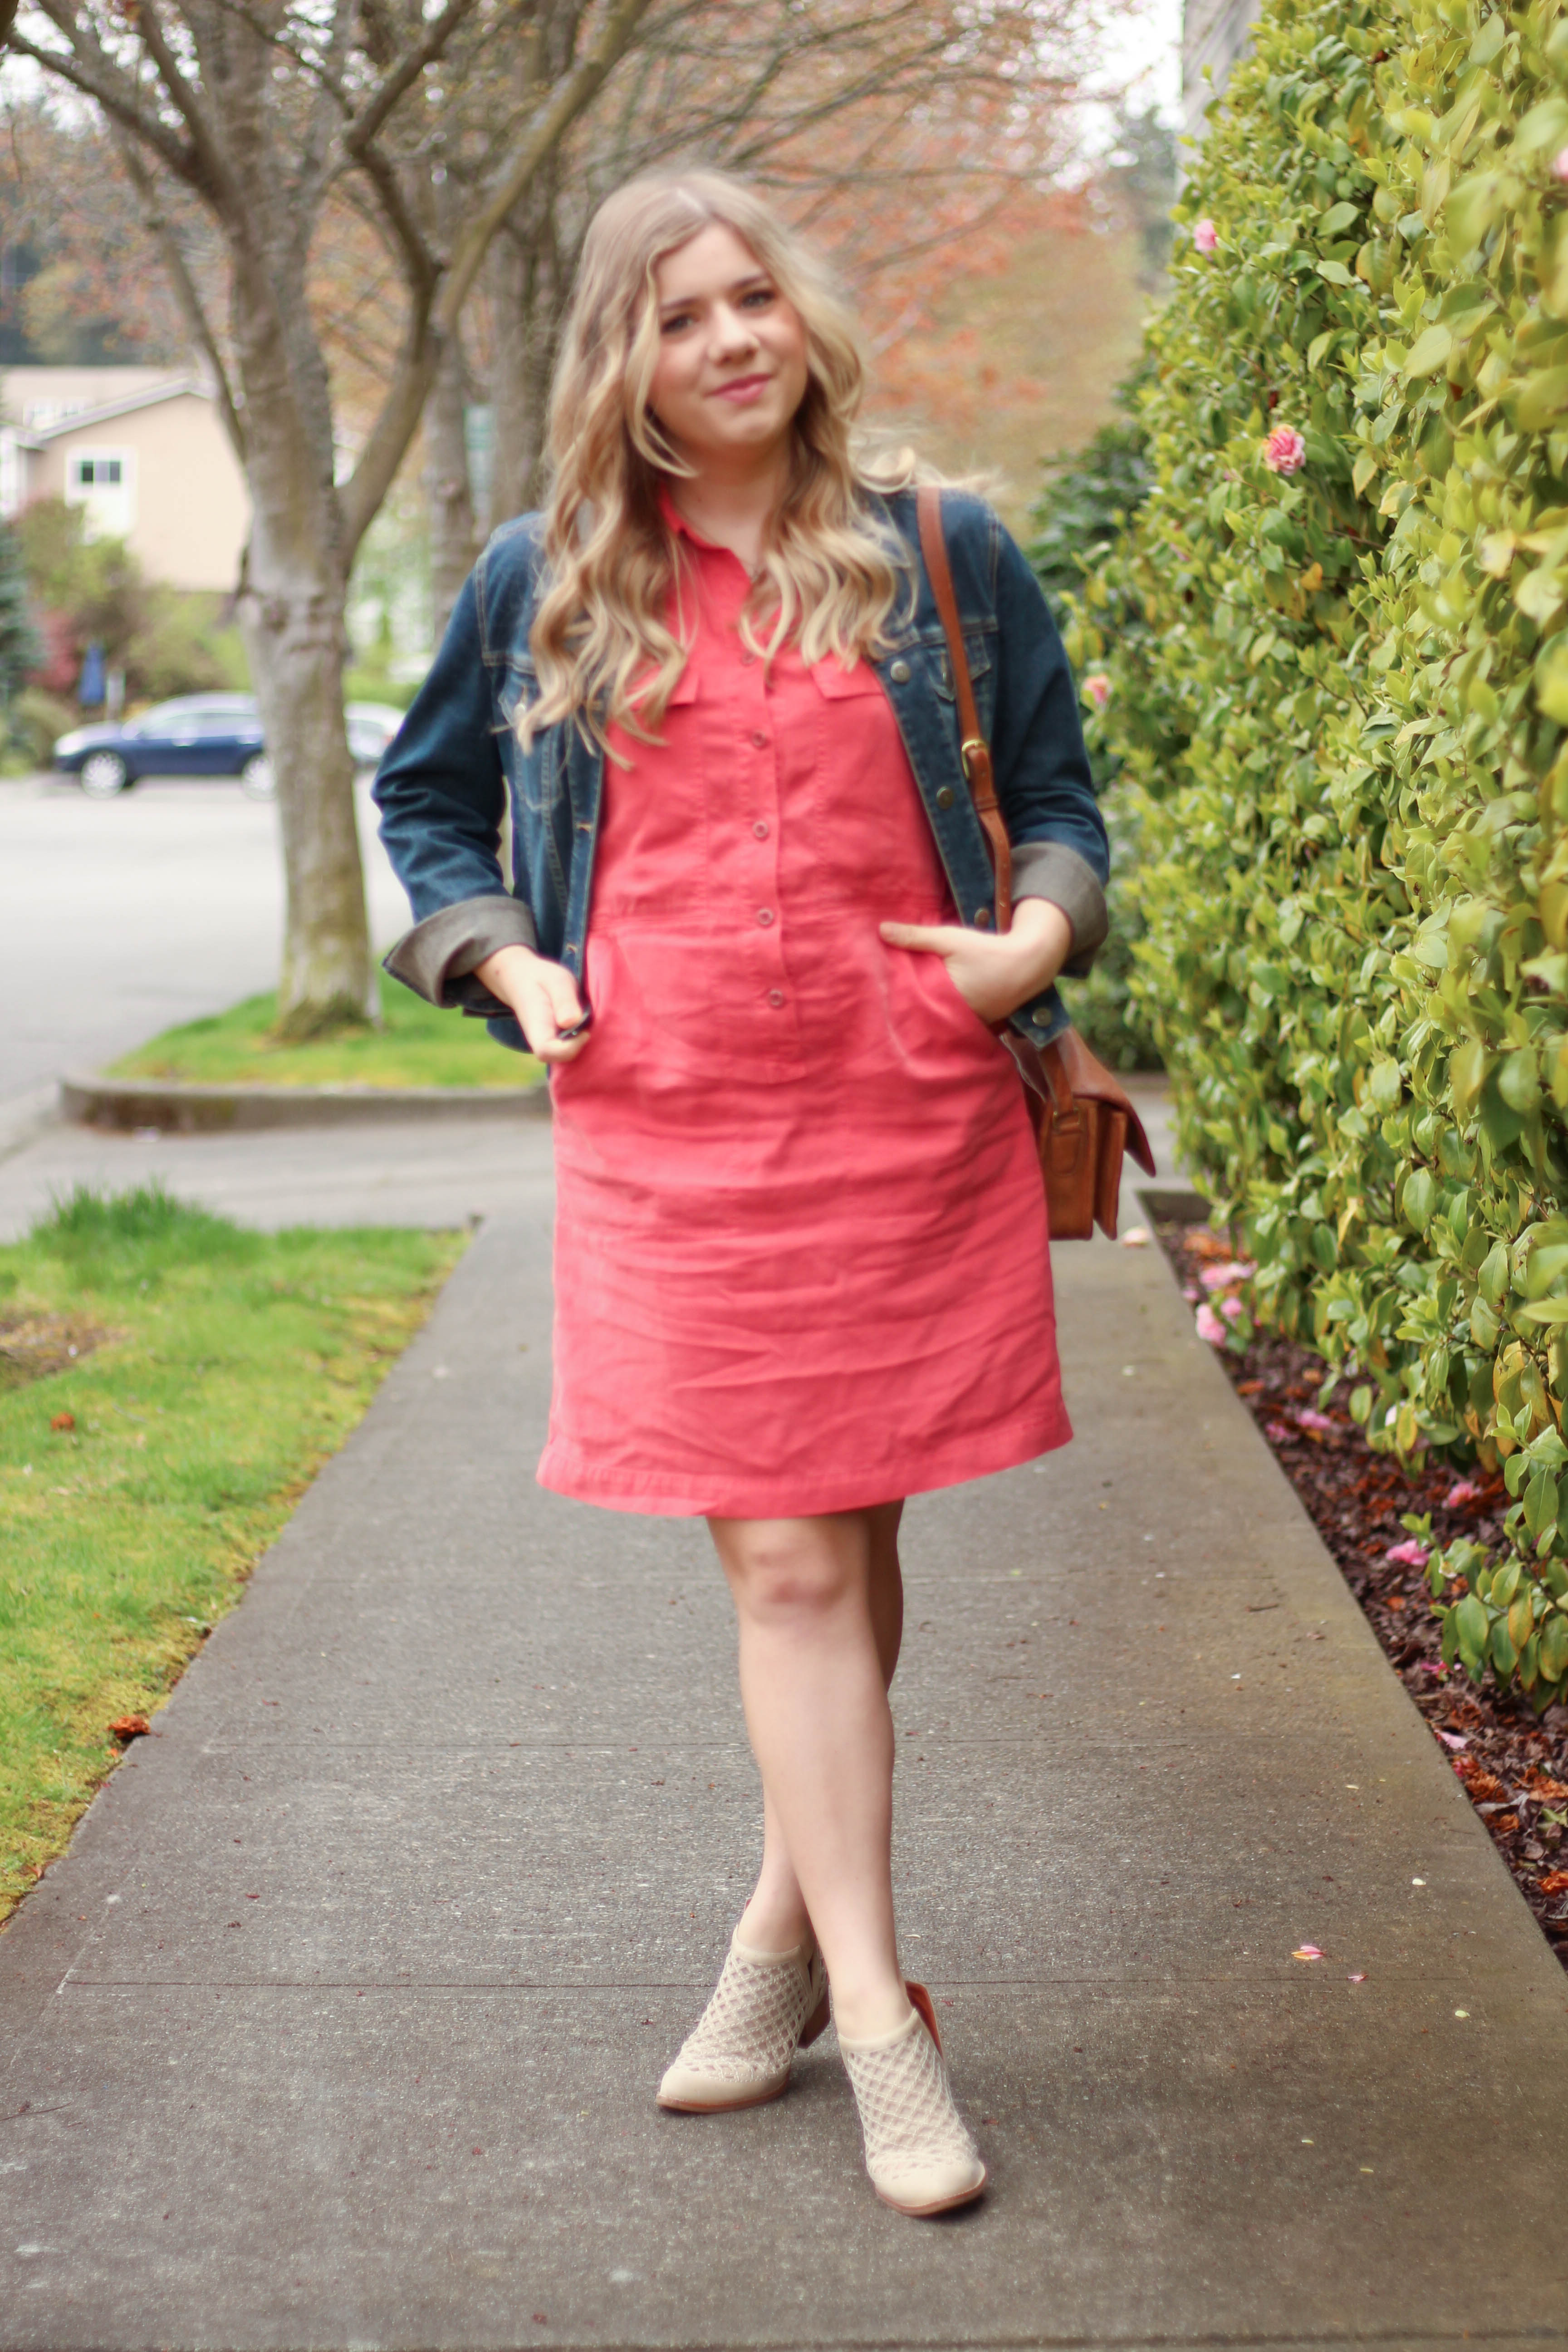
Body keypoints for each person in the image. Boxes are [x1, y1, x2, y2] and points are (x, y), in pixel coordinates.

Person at [373, 167, 1108, 2220]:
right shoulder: (547, 578)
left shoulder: (938, 555)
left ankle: (779, 1944)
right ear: (628, 355)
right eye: (684, 313)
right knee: (788, 1574)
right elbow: (428, 802)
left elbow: (1055, 808)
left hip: (904, 1123)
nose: (733, 340)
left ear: (804, 319)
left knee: (844, 1554)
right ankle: (885, 2023)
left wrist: (1030, 949)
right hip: (670, 1141)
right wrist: (506, 960)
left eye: (757, 297)